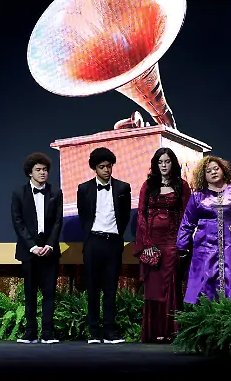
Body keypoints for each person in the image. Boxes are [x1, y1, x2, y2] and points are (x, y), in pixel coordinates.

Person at [134, 148, 192, 343]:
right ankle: (153, 332)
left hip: (172, 243)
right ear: (156, 164)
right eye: (160, 162)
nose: (164, 165)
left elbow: (187, 216)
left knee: (171, 287)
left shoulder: (182, 185)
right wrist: (147, 244)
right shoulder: (148, 185)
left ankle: (171, 332)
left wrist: (182, 243)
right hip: (153, 244)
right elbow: (141, 214)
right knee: (153, 289)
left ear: (173, 163)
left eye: (167, 161)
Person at [77, 147, 132, 344]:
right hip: (93, 242)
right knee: (92, 288)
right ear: (94, 168)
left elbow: (125, 216)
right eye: (102, 167)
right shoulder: (84, 189)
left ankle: (110, 331)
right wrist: (91, 235)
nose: (107, 170)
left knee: (110, 289)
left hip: (113, 243)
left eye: (109, 166)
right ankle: (93, 331)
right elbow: (83, 216)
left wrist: (117, 236)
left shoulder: (123, 188)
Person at [11, 152, 64, 344]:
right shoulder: (19, 193)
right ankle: (30, 332)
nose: (43, 173)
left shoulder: (56, 193)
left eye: (45, 169)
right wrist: (33, 247)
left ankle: (48, 333)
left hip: (49, 249)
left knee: (49, 292)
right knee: (30, 292)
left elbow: (58, 222)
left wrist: (49, 245)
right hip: (29, 250)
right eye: (38, 170)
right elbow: (18, 222)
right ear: (29, 173)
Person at [177, 156, 231, 303]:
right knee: (205, 285)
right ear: (203, 176)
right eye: (208, 171)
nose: (213, 172)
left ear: (223, 170)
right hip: (204, 249)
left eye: (216, 168)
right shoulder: (198, 196)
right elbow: (187, 222)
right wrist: (182, 247)